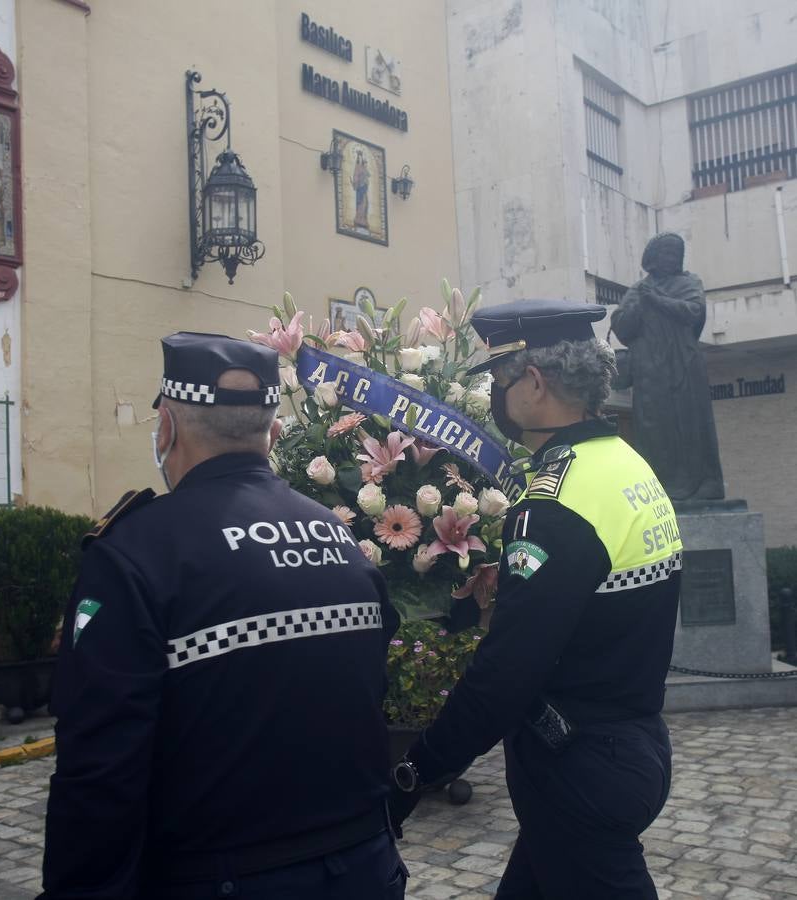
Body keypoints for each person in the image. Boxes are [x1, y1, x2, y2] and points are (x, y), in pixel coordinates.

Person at [40, 331, 406, 899]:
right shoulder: (338, 537)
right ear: (273, 433)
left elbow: (99, 769)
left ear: (166, 428)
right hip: (363, 865)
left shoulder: (134, 555)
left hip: (223, 876)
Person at [388, 300, 682, 899]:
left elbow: (507, 673)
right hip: (632, 744)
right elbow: (605, 602)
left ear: (537, 382)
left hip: (579, 767)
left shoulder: (555, 502)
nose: (498, 394)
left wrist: (416, 769)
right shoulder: (627, 464)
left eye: (500, 379)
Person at [610, 232, 724, 500]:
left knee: (692, 423)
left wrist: (657, 300)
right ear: (653, 258)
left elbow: (693, 312)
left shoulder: (689, 283)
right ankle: (660, 485)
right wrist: (641, 303)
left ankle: (704, 482)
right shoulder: (639, 290)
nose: (672, 259)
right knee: (653, 430)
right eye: (666, 253)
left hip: (684, 366)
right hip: (650, 372)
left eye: (676, 254)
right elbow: (622, 325)